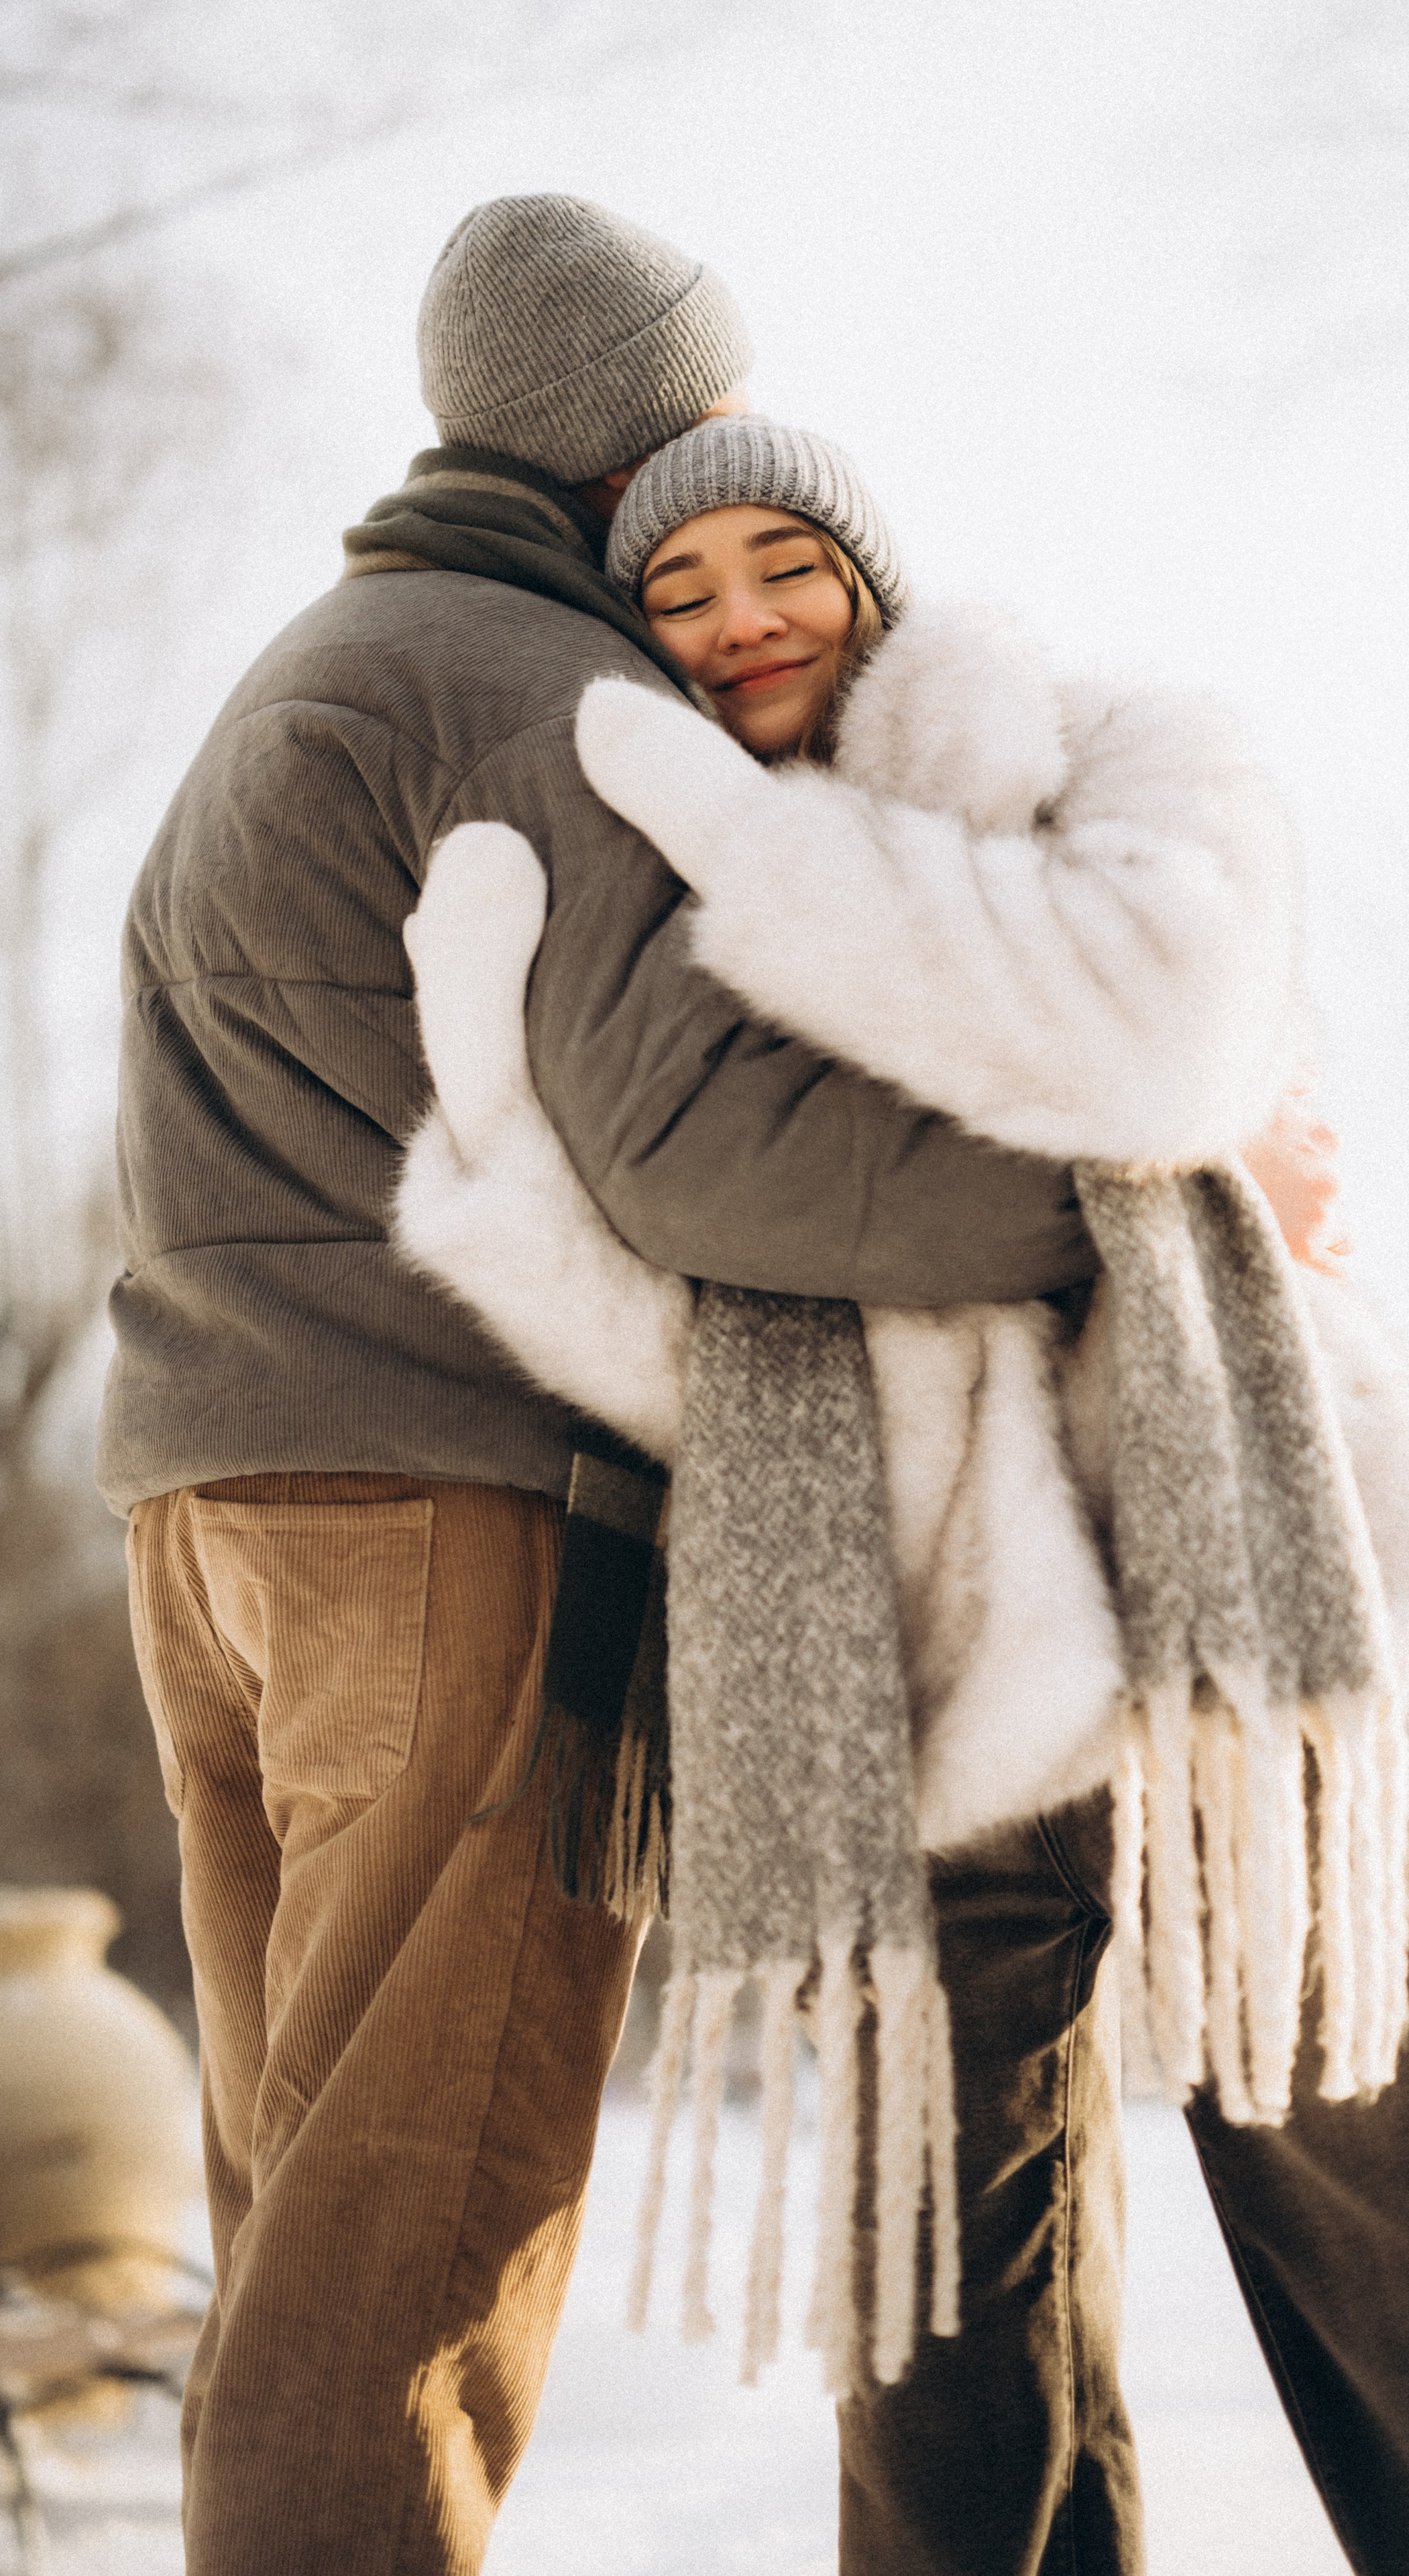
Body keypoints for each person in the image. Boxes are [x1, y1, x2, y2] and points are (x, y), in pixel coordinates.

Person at [398, 415, 1409, 2576]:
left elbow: (1164, 1050)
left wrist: (749, 846)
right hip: (903, 1665)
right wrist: (490, 1117)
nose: (737, 623)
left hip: (1216, 1620)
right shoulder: (658, 906)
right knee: (940, 2278)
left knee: (1406, 2185)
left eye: (780, 562)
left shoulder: (1119, 749)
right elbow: (686, 1317)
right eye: (681, 594)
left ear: (873, 566)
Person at [107, 196, 1116, 2576]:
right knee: (413, 2232)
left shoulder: (319, 658)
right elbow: (708, 1155)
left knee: (304, 2215)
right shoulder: (525, 685)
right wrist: (1136, 1198)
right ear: (652, 441)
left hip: (212, 1501)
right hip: (443, 1517)